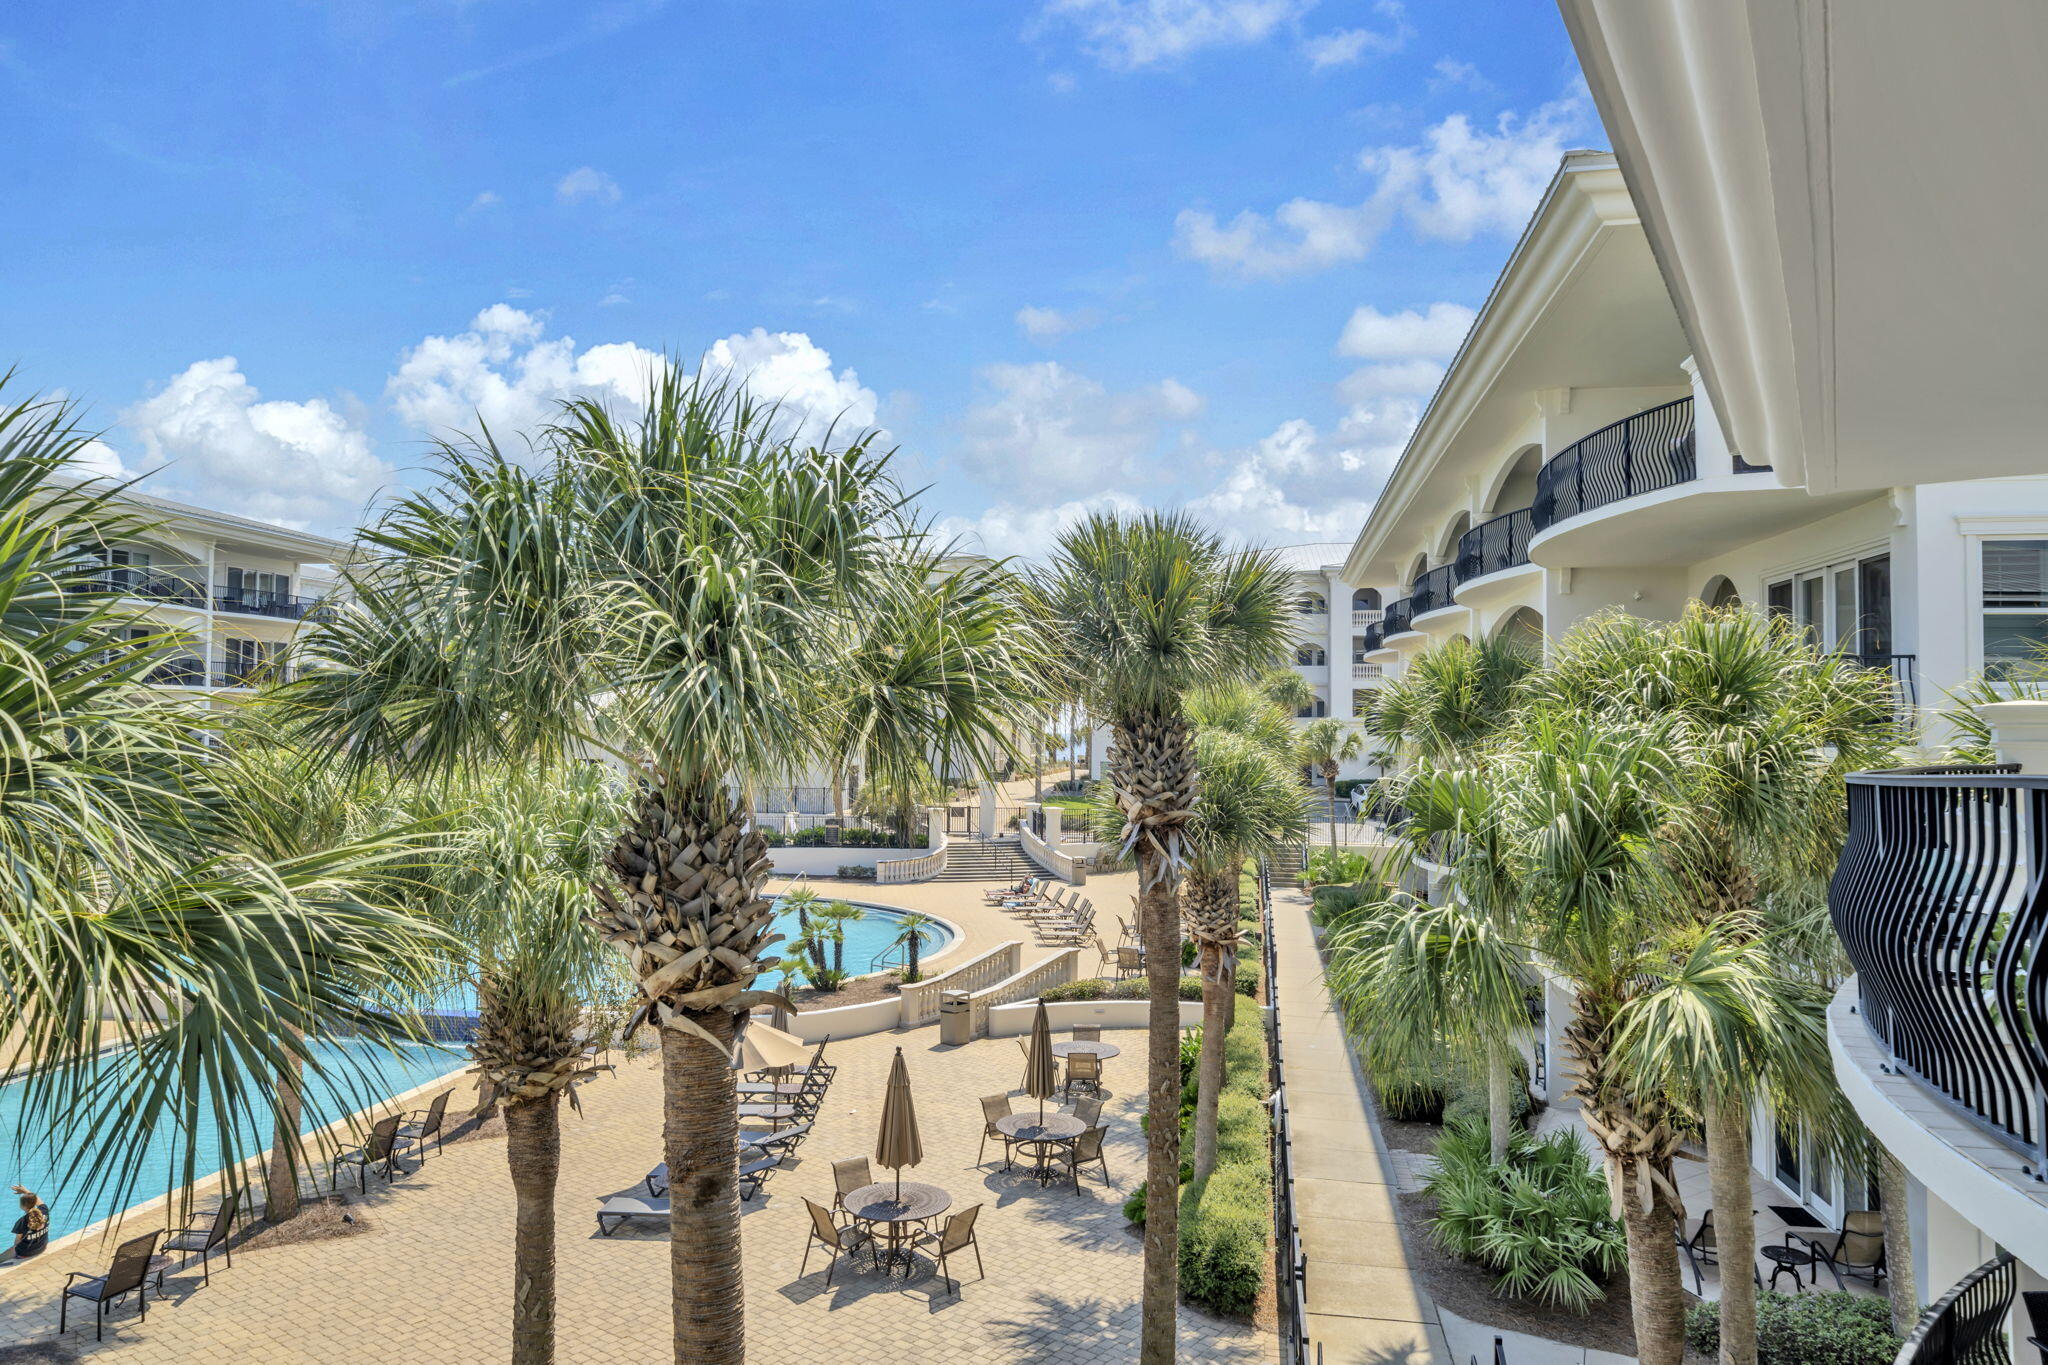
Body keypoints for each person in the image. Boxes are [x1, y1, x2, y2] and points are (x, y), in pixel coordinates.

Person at [11, 1186, 48, 1260]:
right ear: (35, 1202)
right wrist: (25, 1191)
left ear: (22, 1206)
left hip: (25, 1253)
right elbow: (39, 1201)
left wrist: (15, 1252)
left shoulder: (22, 1221)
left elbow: (17, 1241)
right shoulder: (44, 1211)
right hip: (42, 1247)